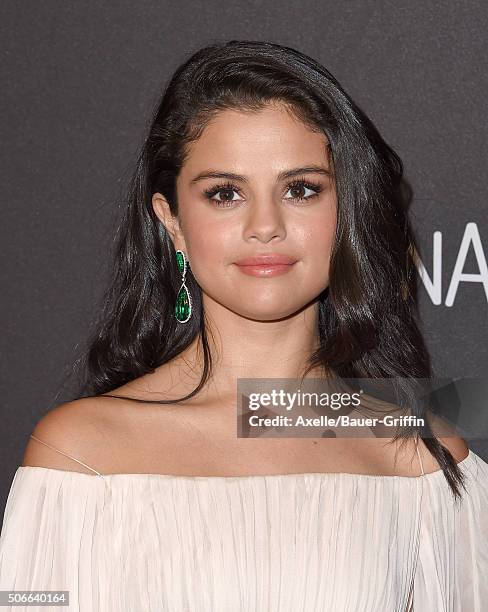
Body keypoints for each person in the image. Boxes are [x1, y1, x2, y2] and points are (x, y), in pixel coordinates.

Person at [0, 39, 487, 611]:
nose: (265, 226)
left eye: (300, 189)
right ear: (172, 222)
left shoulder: (419, 459)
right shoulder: (79, 453)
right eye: (224, 193)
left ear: (347, 211)